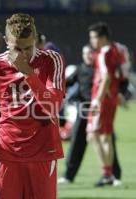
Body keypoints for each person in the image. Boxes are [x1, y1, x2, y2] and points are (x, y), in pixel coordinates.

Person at [0, 13, 65, 199]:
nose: (23, 55)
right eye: (17, 49)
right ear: (6, 41)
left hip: (43, 153)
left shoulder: (52, 60)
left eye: (28, 48)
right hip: (7, 153)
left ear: (35, 39)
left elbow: (53, 106)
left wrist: (28, 73)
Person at [58, 45, 122, 185]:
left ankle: (115, 176)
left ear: (94, 55)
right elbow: (67, 83)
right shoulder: (80, 69)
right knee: (76, 143)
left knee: (107, 140)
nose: (87, 56)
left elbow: (116, 81)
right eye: (85, 53)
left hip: (99, 109)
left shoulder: (100, 69)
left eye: (90, 53)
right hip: (84, 110)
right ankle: (68, 175)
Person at [87, 22, 125, 186]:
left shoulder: (104, 53)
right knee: (105, 136)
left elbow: (107, 77)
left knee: (92, 134)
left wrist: (97, 99)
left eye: (94, 37)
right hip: (110, 98)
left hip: (102, 99)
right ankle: (108, 173)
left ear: (102, 38)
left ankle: (106, 173)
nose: (92, 41)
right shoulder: (113, 50)